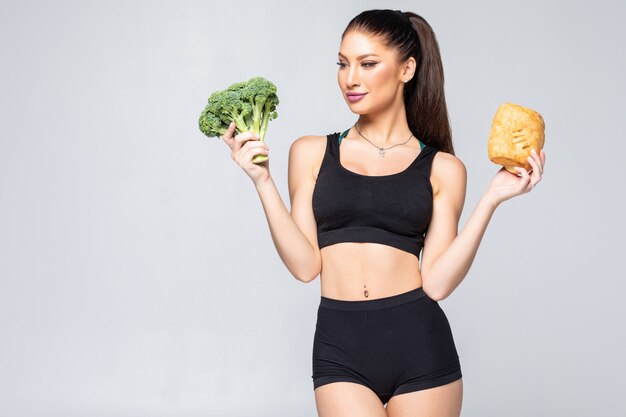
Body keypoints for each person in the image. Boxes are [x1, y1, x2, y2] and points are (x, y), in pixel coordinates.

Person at [220, 8, 546, 417]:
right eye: (342, 63)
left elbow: (439, 284)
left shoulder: (443, 168)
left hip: (420, 348)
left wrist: (492, 198)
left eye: (367, 63)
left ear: (407, 68)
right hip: (340, 347)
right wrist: (262, 181)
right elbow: (305, 266)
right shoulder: (310, 152)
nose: (350, 78)